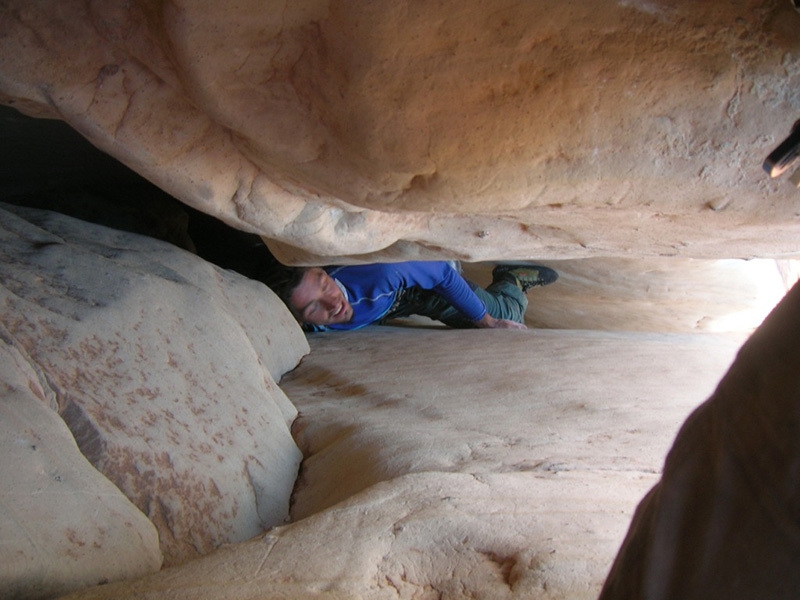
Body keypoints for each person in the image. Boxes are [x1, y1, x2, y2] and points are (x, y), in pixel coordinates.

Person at [277, 261, 557, 332]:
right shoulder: (303, 327)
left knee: (506, 317)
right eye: (315, 307)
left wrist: (487, 321)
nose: (333, 303)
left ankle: (511, 279)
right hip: (387, 309)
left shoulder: (380, 274)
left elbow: (441, 275)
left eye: (326, 286)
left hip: (421, 290)